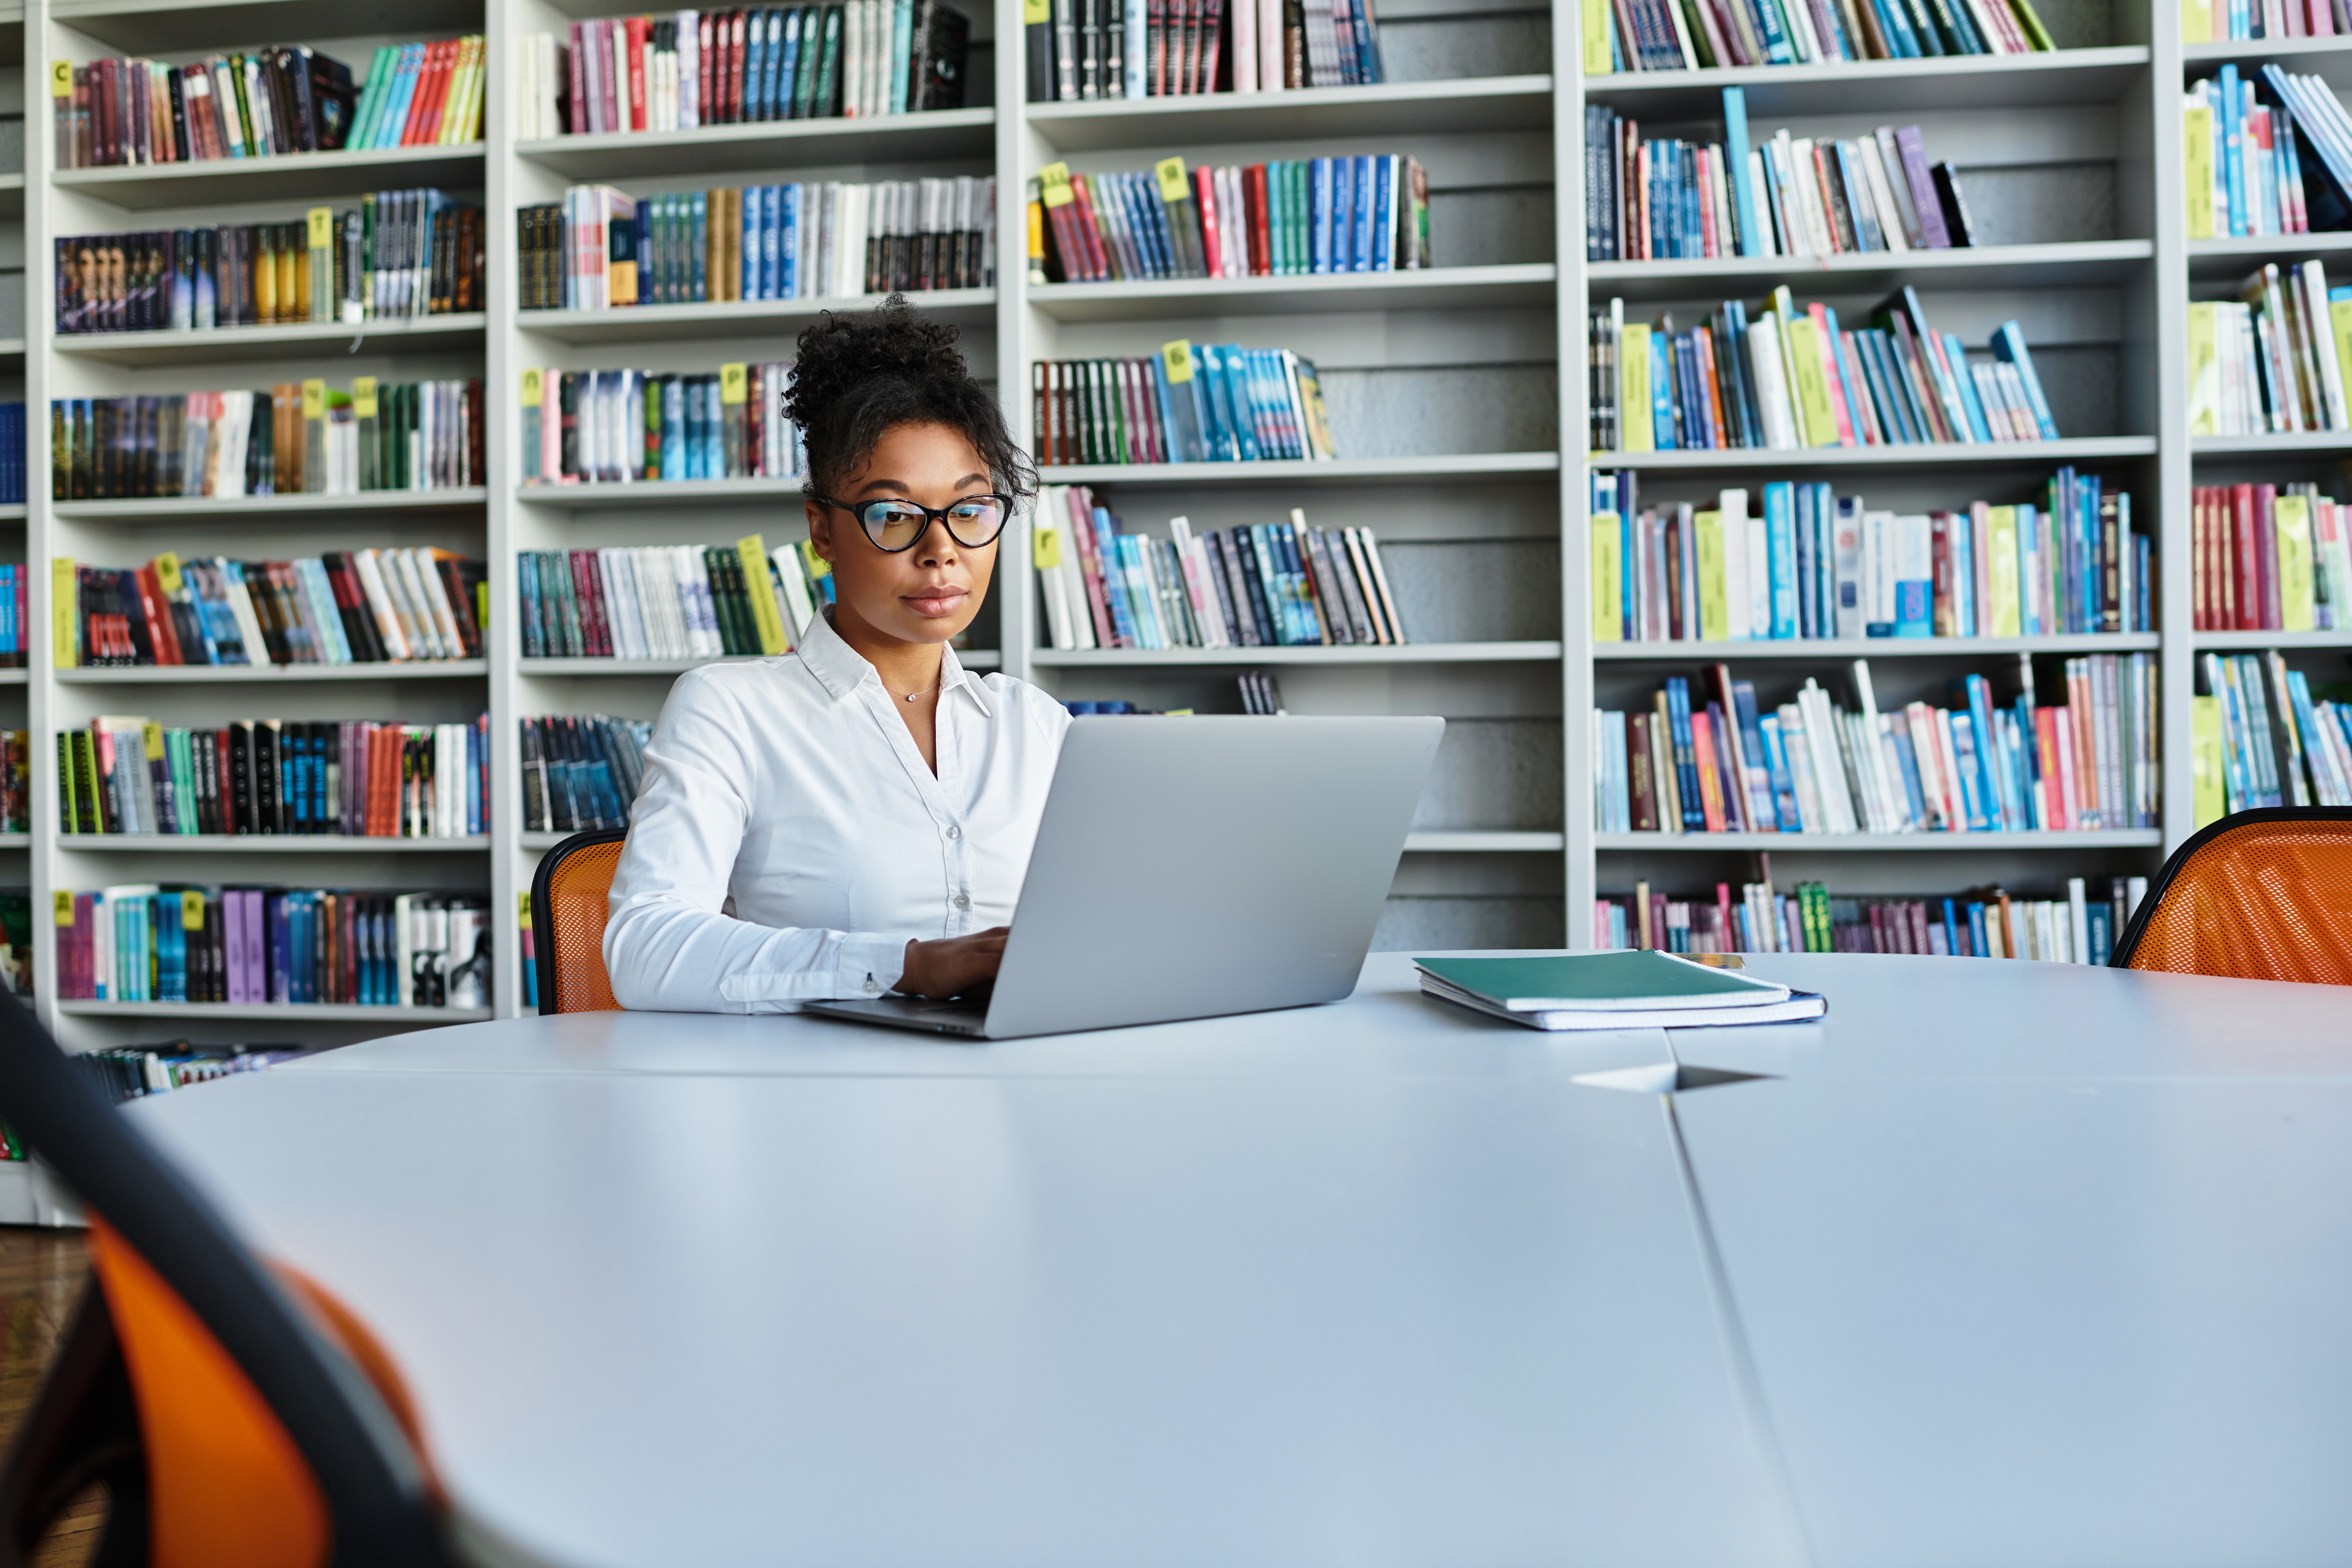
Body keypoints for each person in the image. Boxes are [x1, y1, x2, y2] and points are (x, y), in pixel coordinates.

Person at [604, 298, 1069, 1012]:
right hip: (817, 1100)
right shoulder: (731, 709)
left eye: (970, 510)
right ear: (821, 529)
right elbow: (646, 948)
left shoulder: (1035, 725)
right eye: (894, 514)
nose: (941, 549)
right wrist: (906, 965)